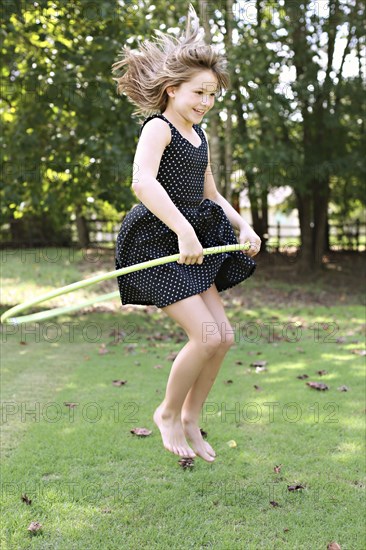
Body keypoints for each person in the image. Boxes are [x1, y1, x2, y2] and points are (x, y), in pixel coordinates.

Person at [111, 4, 261, 463]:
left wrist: (243, 224)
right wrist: (181, 229)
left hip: (193, 241)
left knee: (223, 337)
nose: (205, 102)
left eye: (212, 95)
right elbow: (142, 182)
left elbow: (210, 193)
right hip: (158, 242)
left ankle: (192, 416)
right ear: (172, 89)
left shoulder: (199, 136)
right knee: (205, 336)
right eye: (199, 92)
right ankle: (167, 412)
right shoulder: (158, 127)